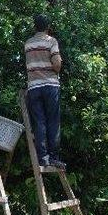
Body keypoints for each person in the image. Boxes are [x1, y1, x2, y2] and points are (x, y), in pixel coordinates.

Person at [24, 14, 65, 169]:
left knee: (39, 123)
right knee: (53, 122)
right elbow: (57, 65)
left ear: (35, 27)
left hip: (34, 87)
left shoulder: (28, 44)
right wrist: (58, 63)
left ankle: (43, 158)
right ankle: (53, 157)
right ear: (48, 27)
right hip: (50, 85)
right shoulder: (51, 41)